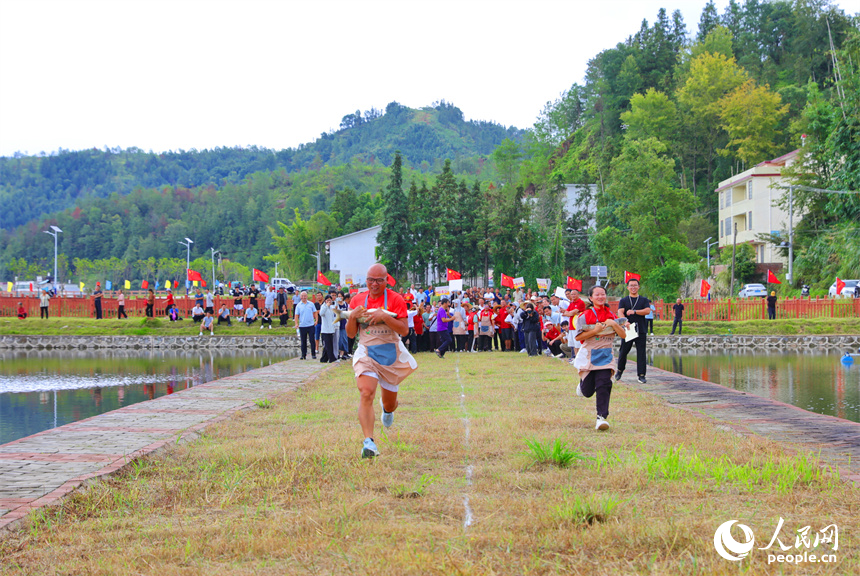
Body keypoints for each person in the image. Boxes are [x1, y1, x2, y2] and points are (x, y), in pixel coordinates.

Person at [346, 263, 417, 458]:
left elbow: (404, 330)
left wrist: (384, 316)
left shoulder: (396, 299)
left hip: (390, 355)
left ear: (387, 280)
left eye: (379, 280)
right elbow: (351, 334)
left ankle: (387, 409)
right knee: (366, 392)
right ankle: (369, 443)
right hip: (366, 352)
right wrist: (352, 317)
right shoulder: (358, 300)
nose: (374, 284)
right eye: (370, 280)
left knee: (390, 403)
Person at [573, 285, 626, 431]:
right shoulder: (585, 315)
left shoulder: (611, 314)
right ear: (591, 298)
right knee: (588, 392)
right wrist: (595, 331)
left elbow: (623, 335)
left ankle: (601, 418)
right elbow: (578, 337)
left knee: (604, 383)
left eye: (603, 294)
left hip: (606, 356)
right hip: (589, 355)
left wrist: (614, 324)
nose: (600, 297)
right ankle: (582, 384)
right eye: (597, 294)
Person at [616, 278, 651, 384]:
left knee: (641, 352)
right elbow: (620, 312)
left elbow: (647, 311)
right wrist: (625, 321)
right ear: (628, 288)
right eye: (631, 286)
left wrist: (635, 311)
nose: (633, 287)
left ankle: (641, 375)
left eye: (635, 285)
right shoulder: (624, 300)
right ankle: (619, 370)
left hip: (641, 329)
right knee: (624, 351)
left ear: (638, 287)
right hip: (628, 329)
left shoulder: (644, 300)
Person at [294, 291, 318, 360]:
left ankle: (313, 354)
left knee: (312, 340)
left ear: (307, 296)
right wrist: (296, 323)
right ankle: (303, 354)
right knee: (303, 341)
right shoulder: (298, 305)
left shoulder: (311, 304)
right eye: (302, 296)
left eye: (305, 296)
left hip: (310, 325)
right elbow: (296, 315)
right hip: (302, 325)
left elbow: (315, 312)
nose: (303, 297)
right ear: (300, 297)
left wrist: (316, 320)